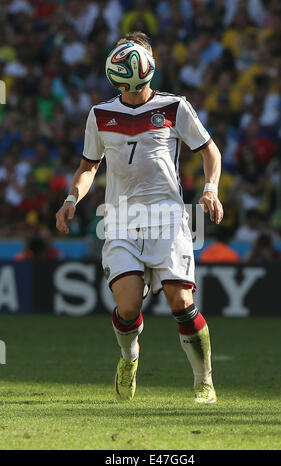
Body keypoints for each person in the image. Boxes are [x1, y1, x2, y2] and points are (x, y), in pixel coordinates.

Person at [56, 32, 224, 404]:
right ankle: (129, 360)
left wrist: (210, 188)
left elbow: (210, 150)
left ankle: (204, 383)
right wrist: (72, 197)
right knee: (129, 306)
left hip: (168, 219)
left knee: (180, 301)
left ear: (148, 63)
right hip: (119, 221)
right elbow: (88, 166)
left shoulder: (175, 107)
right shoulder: (101, 115)